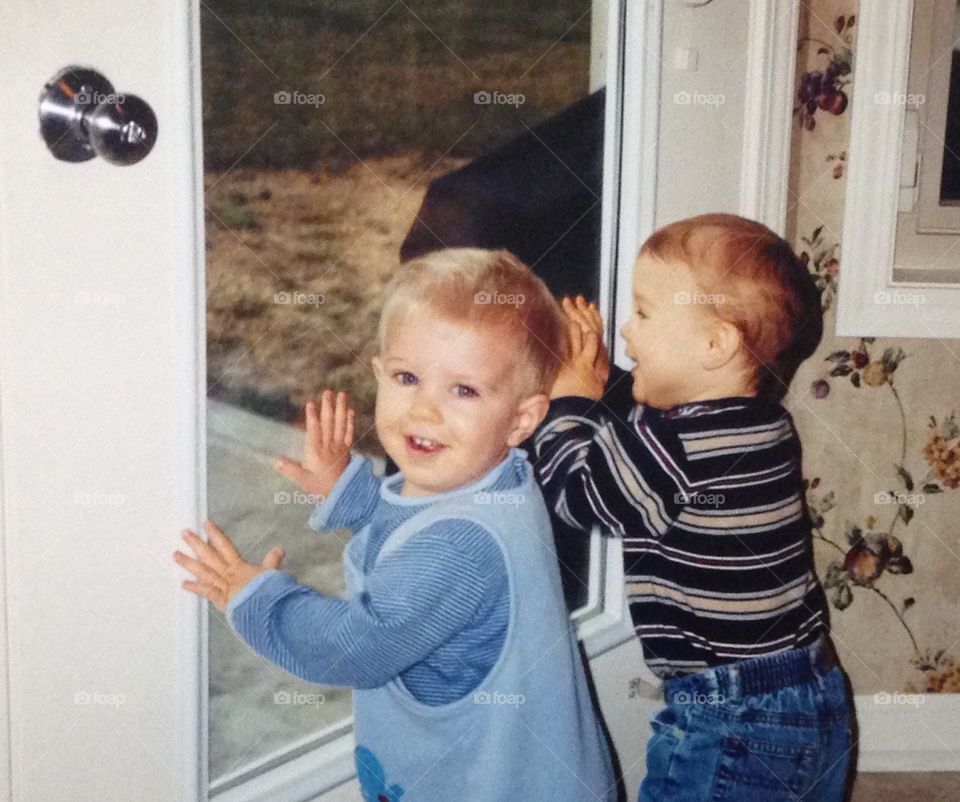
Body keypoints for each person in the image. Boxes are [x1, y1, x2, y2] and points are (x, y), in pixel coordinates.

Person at [174, 248, 616, 802]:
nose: (424, 410)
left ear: (521, 419)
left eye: (464, 390)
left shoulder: (459, 548)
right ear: (379, 372)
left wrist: (257, 598)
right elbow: (421, 518)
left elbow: (354, 647)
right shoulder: (499, 478)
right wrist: (351, 492)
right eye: (408, 377)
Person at [536, 213, 852, 802]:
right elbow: (654, 445)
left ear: (715, 344)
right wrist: (608, 388)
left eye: (644, 312)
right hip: (812, 690)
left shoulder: (673, 446)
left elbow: (578, 496)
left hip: (733, 720)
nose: (626, 331)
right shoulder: (766, 424)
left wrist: (569, 399)